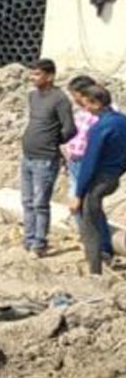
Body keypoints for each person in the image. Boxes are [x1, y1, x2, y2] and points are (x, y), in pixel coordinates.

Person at [20, 59, 76, 257]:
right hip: (27, 156)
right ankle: (28, 239)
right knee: (27, 201)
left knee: (40, 204)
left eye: (37, 74)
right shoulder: (33, 97)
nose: (32, 78)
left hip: (45, 159)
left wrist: (52, 142)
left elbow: (70, 129)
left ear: (50, 76)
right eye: (32, 74)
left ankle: (39, 244)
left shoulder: (60, 99)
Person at [70, 85, 126, 275]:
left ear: (96, 103)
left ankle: (95, 268)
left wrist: (78, 194)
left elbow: (89, 163)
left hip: (99, 179)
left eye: (87, 104)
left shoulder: (99, 128)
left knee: (89, 221)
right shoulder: (122, 121)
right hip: (113, 177)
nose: (85, 108)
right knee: (95, 214)